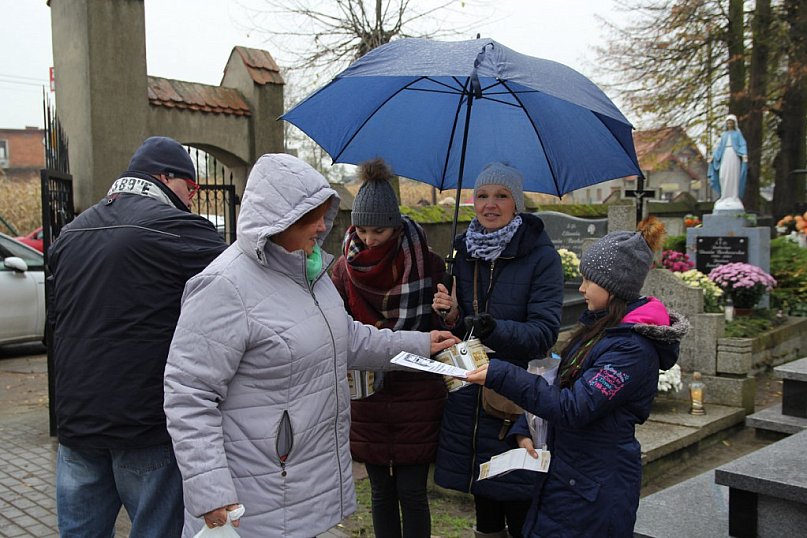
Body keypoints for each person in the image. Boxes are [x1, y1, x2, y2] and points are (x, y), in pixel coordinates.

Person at [163, 153, 459, 537]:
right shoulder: (224, 286)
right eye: (310, 217)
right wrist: (210, 490)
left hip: (299, 486)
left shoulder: (309, 272)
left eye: (324, 213)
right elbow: (189, 394)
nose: (322, 226)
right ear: (276, 220)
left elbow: (345, 337)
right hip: (250, 499)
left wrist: (420, 343)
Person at [465, 216, 690, 537]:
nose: (581, 288)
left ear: (614, 287)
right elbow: (558, 381)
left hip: (594, 490)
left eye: (589, 280)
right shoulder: (601, 329)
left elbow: (575, 406)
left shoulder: (631, 350)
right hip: (570, 477)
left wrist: (502, 374)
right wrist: (525, 425)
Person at [48, 136, 227, 537]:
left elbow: (56, 324)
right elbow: (242, 278)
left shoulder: (70, 234)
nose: (192, 199)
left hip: (77, 425)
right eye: (191, 188)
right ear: (165, 177)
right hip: (143, 427)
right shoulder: (178, 228)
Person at [431, 162, 564, 537]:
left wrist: (495, 328)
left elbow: (544, 334)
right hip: (469, 393)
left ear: (516, 204)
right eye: (483, 195)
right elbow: (461, 328)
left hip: (514, 400)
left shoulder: (540, 257)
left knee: (519, 503)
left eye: (501, 196)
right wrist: (453, 314)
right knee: (484, 503)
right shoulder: (462, 253)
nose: (490, 204)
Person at [331, 158, 448, 538]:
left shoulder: (429, 264)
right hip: (367, 391)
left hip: (417, 389)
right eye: (361, 229)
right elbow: (335, 328)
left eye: (378, 230)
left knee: (413, 492)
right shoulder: (341, 270)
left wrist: (449, 311)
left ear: (396, 226)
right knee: (380, 492)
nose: (369, 239)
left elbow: (446, 331)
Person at [708, 113, 748, 211]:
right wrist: (713, 157)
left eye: (731, 123)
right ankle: (725, 196)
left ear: (734, 124)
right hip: (724, 156)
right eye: (728, 123)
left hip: (734, 155)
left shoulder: (737, 134)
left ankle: (733, 197)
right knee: (723, 175)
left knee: (733, 176)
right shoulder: (724, 135)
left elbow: (742, 144)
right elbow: (719, 147)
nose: (729, 125)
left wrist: (744, 154)